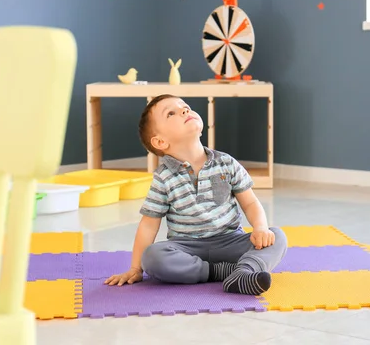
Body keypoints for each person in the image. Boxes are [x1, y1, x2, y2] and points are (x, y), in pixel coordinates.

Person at [104, 94, 287, 295]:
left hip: (230, 241)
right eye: (171, 113)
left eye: (185, 107)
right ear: (160, 142)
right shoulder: (164, 178)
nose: (184, 110)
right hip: (186, 247)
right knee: (152, 257)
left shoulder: (226, 163)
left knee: (277, 236)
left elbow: (250, 203)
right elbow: (148, 224)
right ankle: (223, 272)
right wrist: (135, 269)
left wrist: (260, 228)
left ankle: (246, 271)